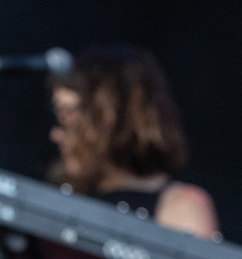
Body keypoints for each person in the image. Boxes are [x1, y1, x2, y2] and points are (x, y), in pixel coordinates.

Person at [47, 45, 220, 239]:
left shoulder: (180, 206)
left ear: (110, 119)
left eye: (67, 116)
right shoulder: (67, 200)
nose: (56, 134)